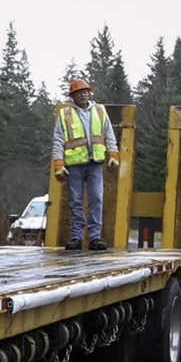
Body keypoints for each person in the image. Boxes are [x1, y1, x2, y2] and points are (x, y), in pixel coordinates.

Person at [52, 78, 114, 251]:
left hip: (95, 163)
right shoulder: (65, 115)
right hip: (74, 165)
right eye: (78, 92)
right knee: (75, 201)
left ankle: (95, 238)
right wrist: (58, 163)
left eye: (85, 91)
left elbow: (109, 133)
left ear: (89, 92)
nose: (82, 94)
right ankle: (76, 237)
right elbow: (58, 140)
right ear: (72, 96)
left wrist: (113, 152)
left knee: (97, 198)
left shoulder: (100, 111)